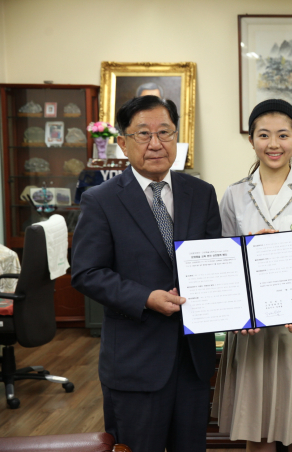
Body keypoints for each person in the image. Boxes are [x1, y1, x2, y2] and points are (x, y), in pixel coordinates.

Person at [71, 95, 221, 452]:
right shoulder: (101, 199)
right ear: (123, 143)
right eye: (143, 134)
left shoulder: (201, 193)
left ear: (176, 138)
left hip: (193, 360)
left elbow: (216, 261)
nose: (156, 144)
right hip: (135, 364)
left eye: (165, 132)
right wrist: (145, 298)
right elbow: (87, 272)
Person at [211, 99, 292, 452]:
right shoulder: (235, 195)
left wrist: (290, 304)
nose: (274, 144)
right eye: (264, 135)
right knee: (258, 432)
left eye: (283, 135)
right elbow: (227, 260)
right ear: (251, 139)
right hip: (252, 327)